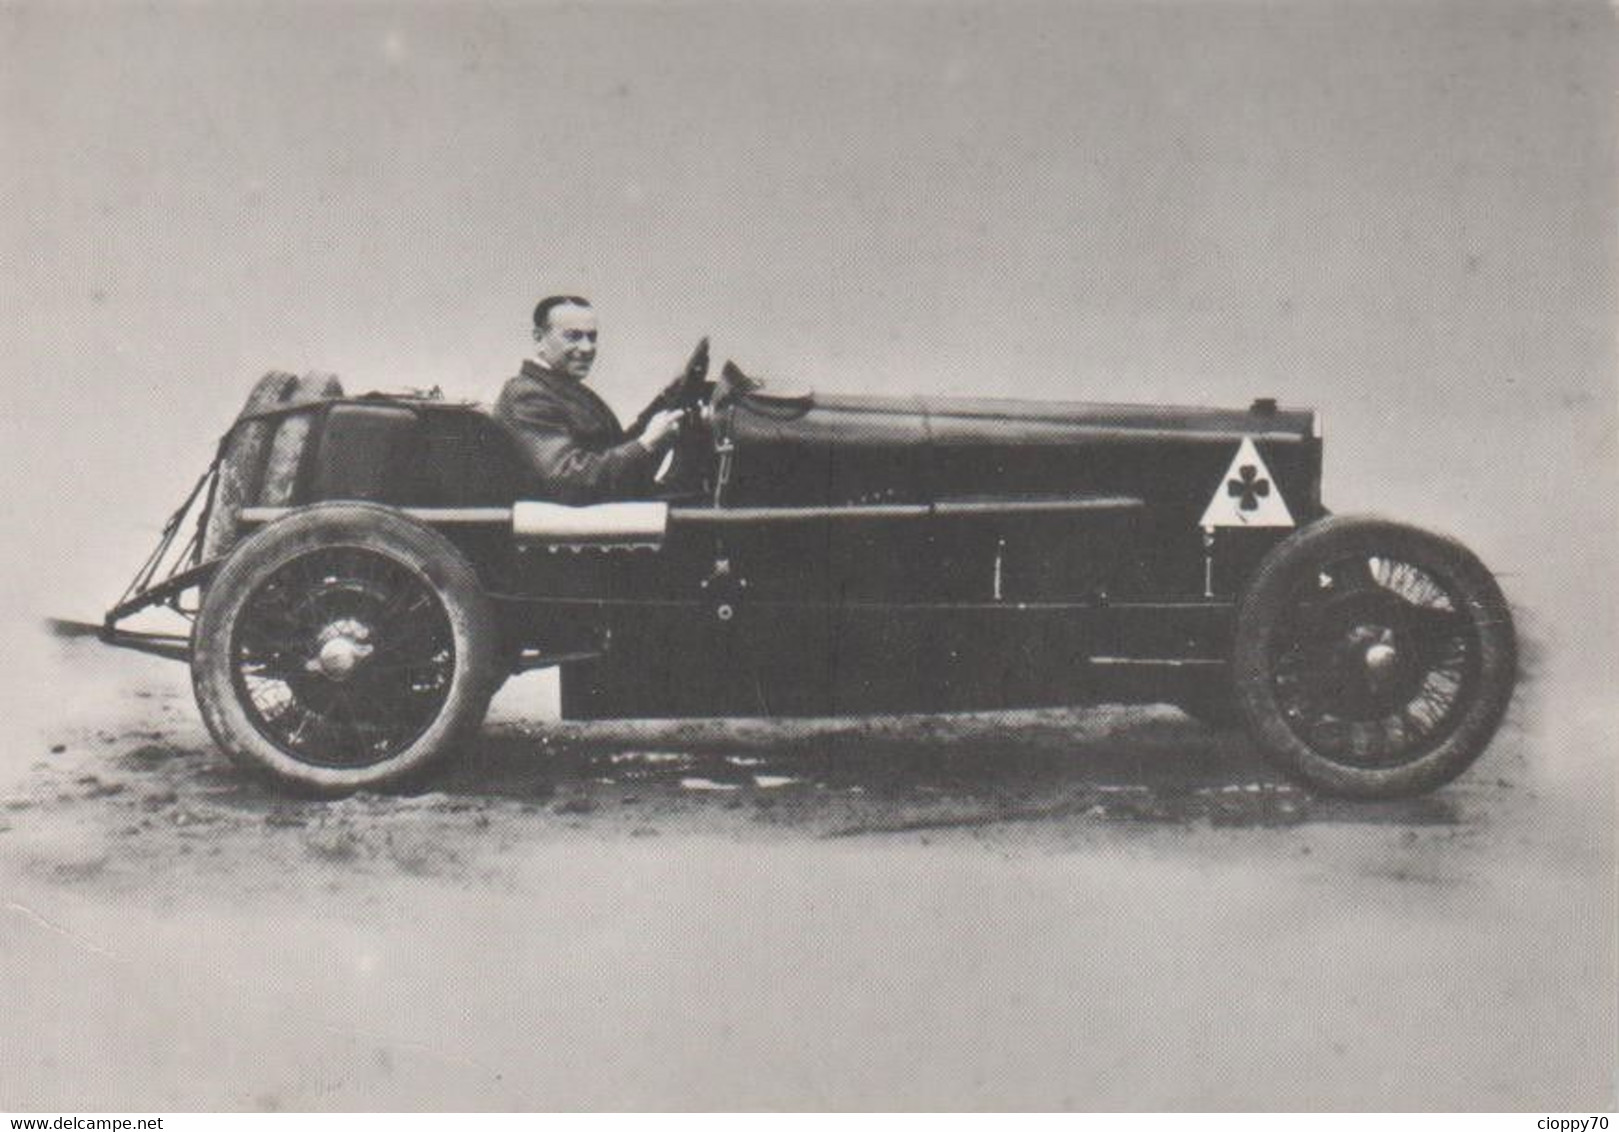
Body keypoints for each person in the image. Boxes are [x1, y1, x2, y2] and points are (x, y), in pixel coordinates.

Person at [494, 296, 684, 504]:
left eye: (592, 337)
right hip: (563, 530)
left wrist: (667, 399)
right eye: (573, 336)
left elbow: (614, 446)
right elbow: (566, 480)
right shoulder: (526, 395)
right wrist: (645, 444)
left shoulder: (559, 388)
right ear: (539, 338)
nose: (587, 348)